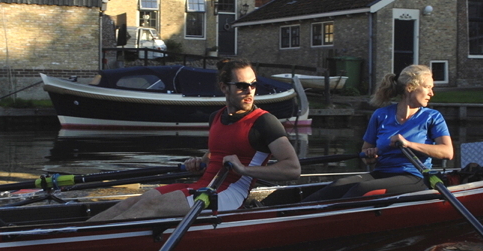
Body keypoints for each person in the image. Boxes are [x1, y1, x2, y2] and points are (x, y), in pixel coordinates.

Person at [88, 57, 302, 222]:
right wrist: (201, 163)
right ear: (224, 88)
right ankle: (73, 234)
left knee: (149, 207)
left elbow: (292, 169)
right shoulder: (216, 117)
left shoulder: (265, 122)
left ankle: (88, 245)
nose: (249, 91)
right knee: (135, 201)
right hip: (203, 185)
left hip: (230, 194)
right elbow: (215, 156)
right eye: (241, 86)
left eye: (253, 85)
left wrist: (244, 170)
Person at [305, 64, 453, 200]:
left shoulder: (432, 117)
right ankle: (298, 214)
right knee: (337, 185)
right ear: (410, 87)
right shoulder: (381, 115)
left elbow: (447, 152)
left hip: (415, 175)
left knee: (362, 188)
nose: (431, 93)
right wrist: (370, 156)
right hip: (381, 173)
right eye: (428, 87)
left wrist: (408, 144)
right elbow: (366, 153)